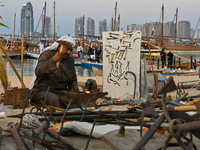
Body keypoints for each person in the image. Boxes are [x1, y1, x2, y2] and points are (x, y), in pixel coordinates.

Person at [31, 36, 81, 109]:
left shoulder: (70, 60)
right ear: (59, 47)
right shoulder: (47, 55)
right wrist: (53, 60)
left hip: (61, 92)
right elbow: (38, 71)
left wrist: (74, 87)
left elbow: (73, 80)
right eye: (67, 49)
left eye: (71, 50)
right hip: (42, 91)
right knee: (54, 100)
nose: (69, 52)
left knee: (77, 103)